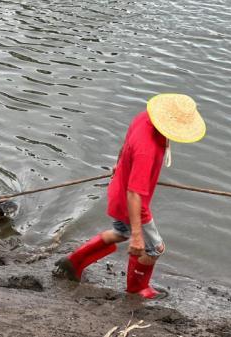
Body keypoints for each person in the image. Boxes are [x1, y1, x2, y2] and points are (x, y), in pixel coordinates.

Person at [53, 93, 206, 299]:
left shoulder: (143, 117)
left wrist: (120, 164)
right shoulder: (148, 149)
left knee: (120, 232)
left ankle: (73, 262)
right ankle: (137, 290)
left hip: (119, 190)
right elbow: (134, 193)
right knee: (154, 249)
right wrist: (137, 235)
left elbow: (125, 146)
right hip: (132, 203)